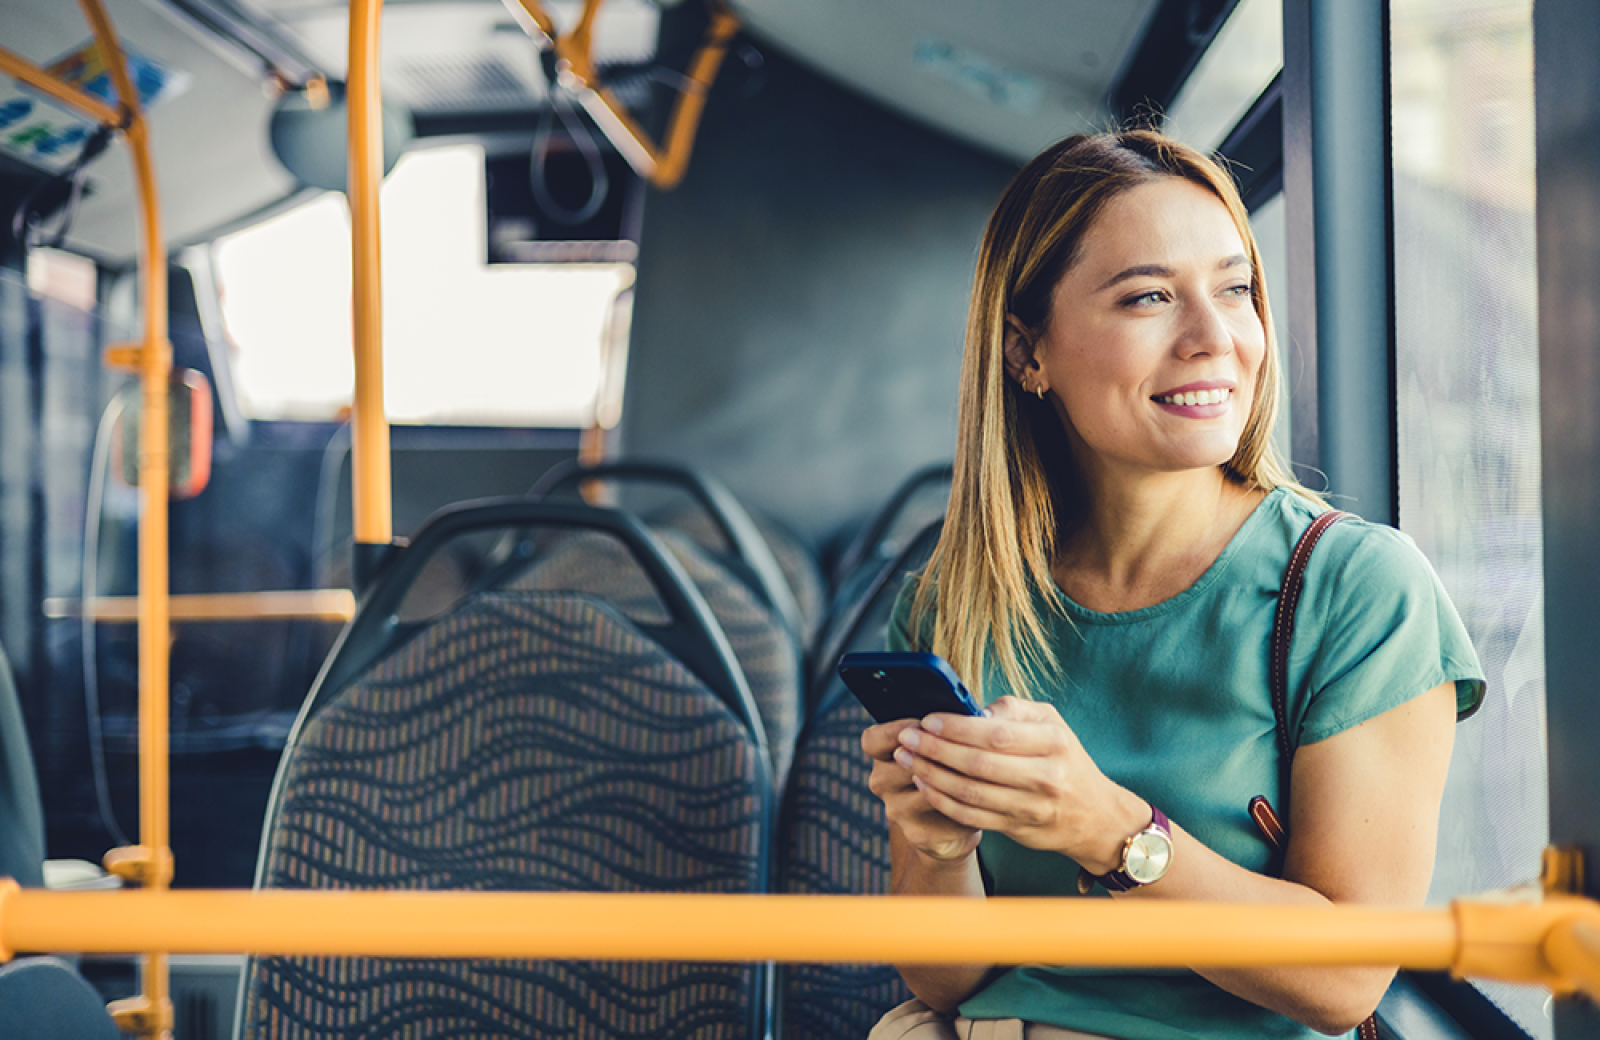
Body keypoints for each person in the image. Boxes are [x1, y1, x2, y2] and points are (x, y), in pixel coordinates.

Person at [862, 129, 1485, 1040]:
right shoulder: (955, 601)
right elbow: (945, 980)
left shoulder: (1356, 589)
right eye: (1150, 297)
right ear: (1026, 353)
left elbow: (1348, 977)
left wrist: (1109, 830)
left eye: (1235, 290)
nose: (1213, 338)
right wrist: (941, 849)